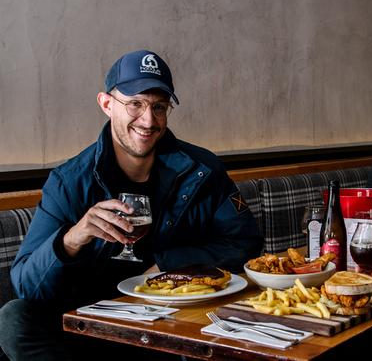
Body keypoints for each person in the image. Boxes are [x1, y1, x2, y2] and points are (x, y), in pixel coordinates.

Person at [0, 50, 263, 360]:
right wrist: (74, 237)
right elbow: (27, 287)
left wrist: (169, 264)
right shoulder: (69, 182)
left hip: (173, 323)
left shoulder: (202, 171)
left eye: (159, 107)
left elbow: (246, 242)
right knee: (14, 319)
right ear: (107, 104)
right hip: (90, 326)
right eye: (135, 103)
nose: (148, 120)